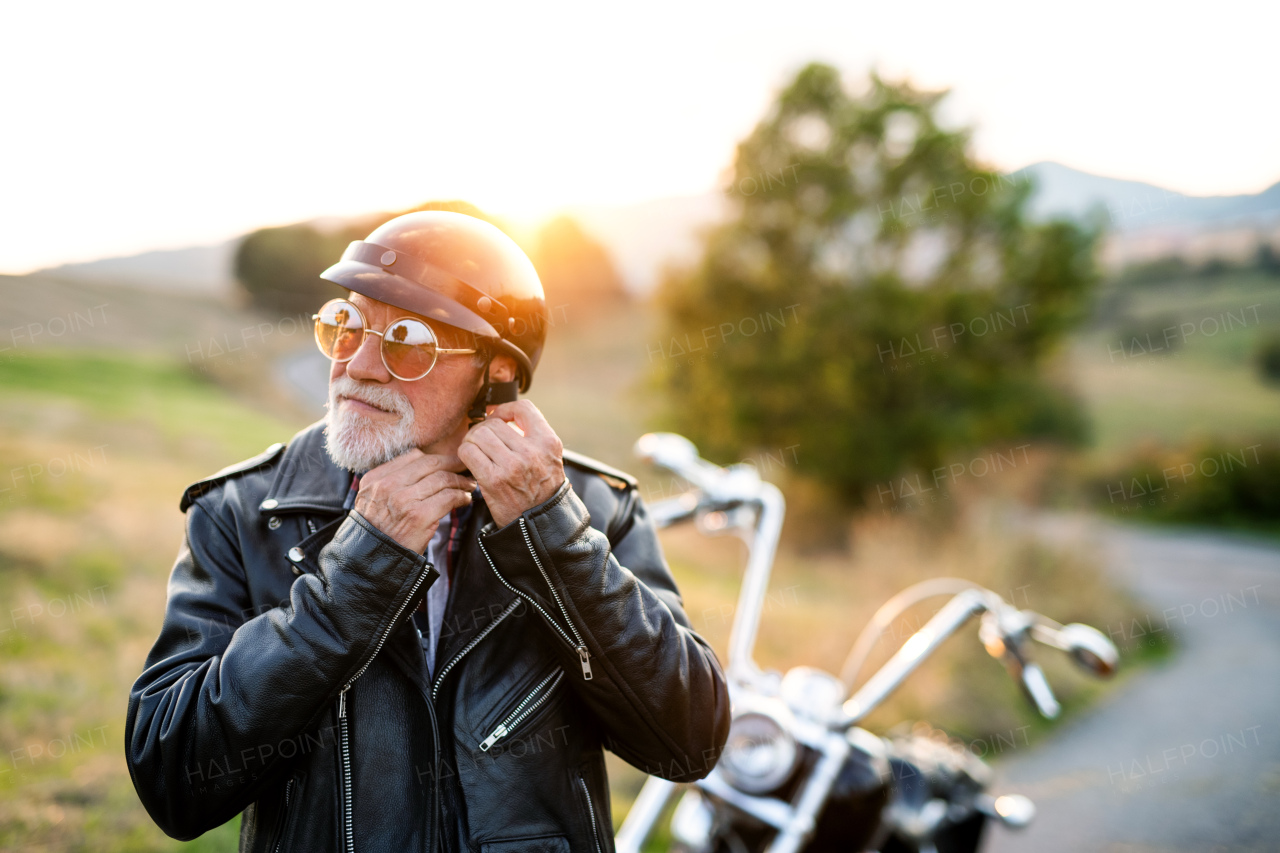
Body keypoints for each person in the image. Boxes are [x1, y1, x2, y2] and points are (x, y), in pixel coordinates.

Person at [124, 211, 731, 853]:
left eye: (407, 339)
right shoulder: (243, 511)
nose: (356, 365)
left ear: (495, 372)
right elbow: (174, 782)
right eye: (347, 324)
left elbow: (688, 741)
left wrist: (552, 532)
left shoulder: (593, 510)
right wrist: (357, 574)